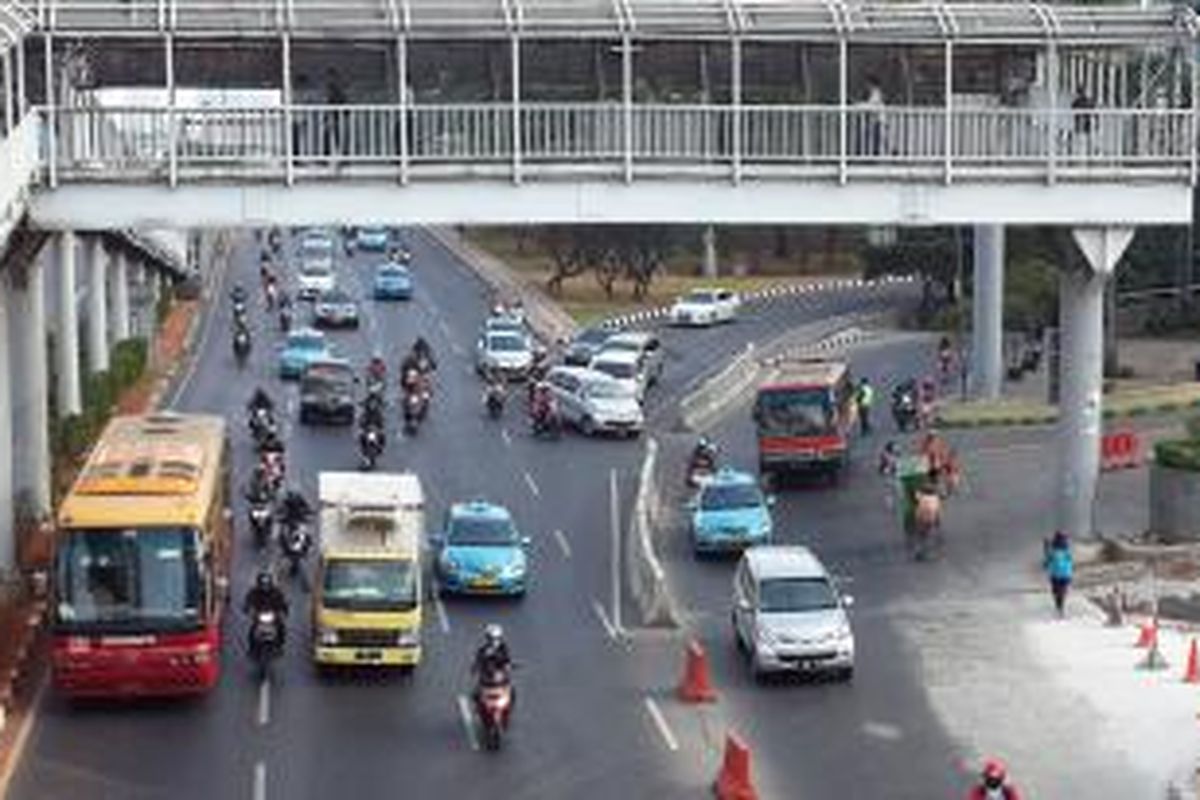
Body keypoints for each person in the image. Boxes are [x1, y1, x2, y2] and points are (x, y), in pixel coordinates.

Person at [243, 570, 289, 647]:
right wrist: (248, 609)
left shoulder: (276, 592)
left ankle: (280, 643)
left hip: (273, 614)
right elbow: (248, 601)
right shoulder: (254, 592)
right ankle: (251, 645)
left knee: (281, 627)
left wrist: (284, 610)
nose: (265, 587)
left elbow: (283, 602)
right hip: (259, 614)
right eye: (263, 585)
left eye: (267, 585)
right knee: (252, 629)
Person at [1043, 531, 1074, 617]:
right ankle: (1060, 608)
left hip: (1055, 574)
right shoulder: (1067, 550)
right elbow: (1070, 561)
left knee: (1056, 592)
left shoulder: (1053, 551)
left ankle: (1059, 608)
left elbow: (1047, 561)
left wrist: (1045, 565)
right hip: (1066, 574)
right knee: (1062, 591)